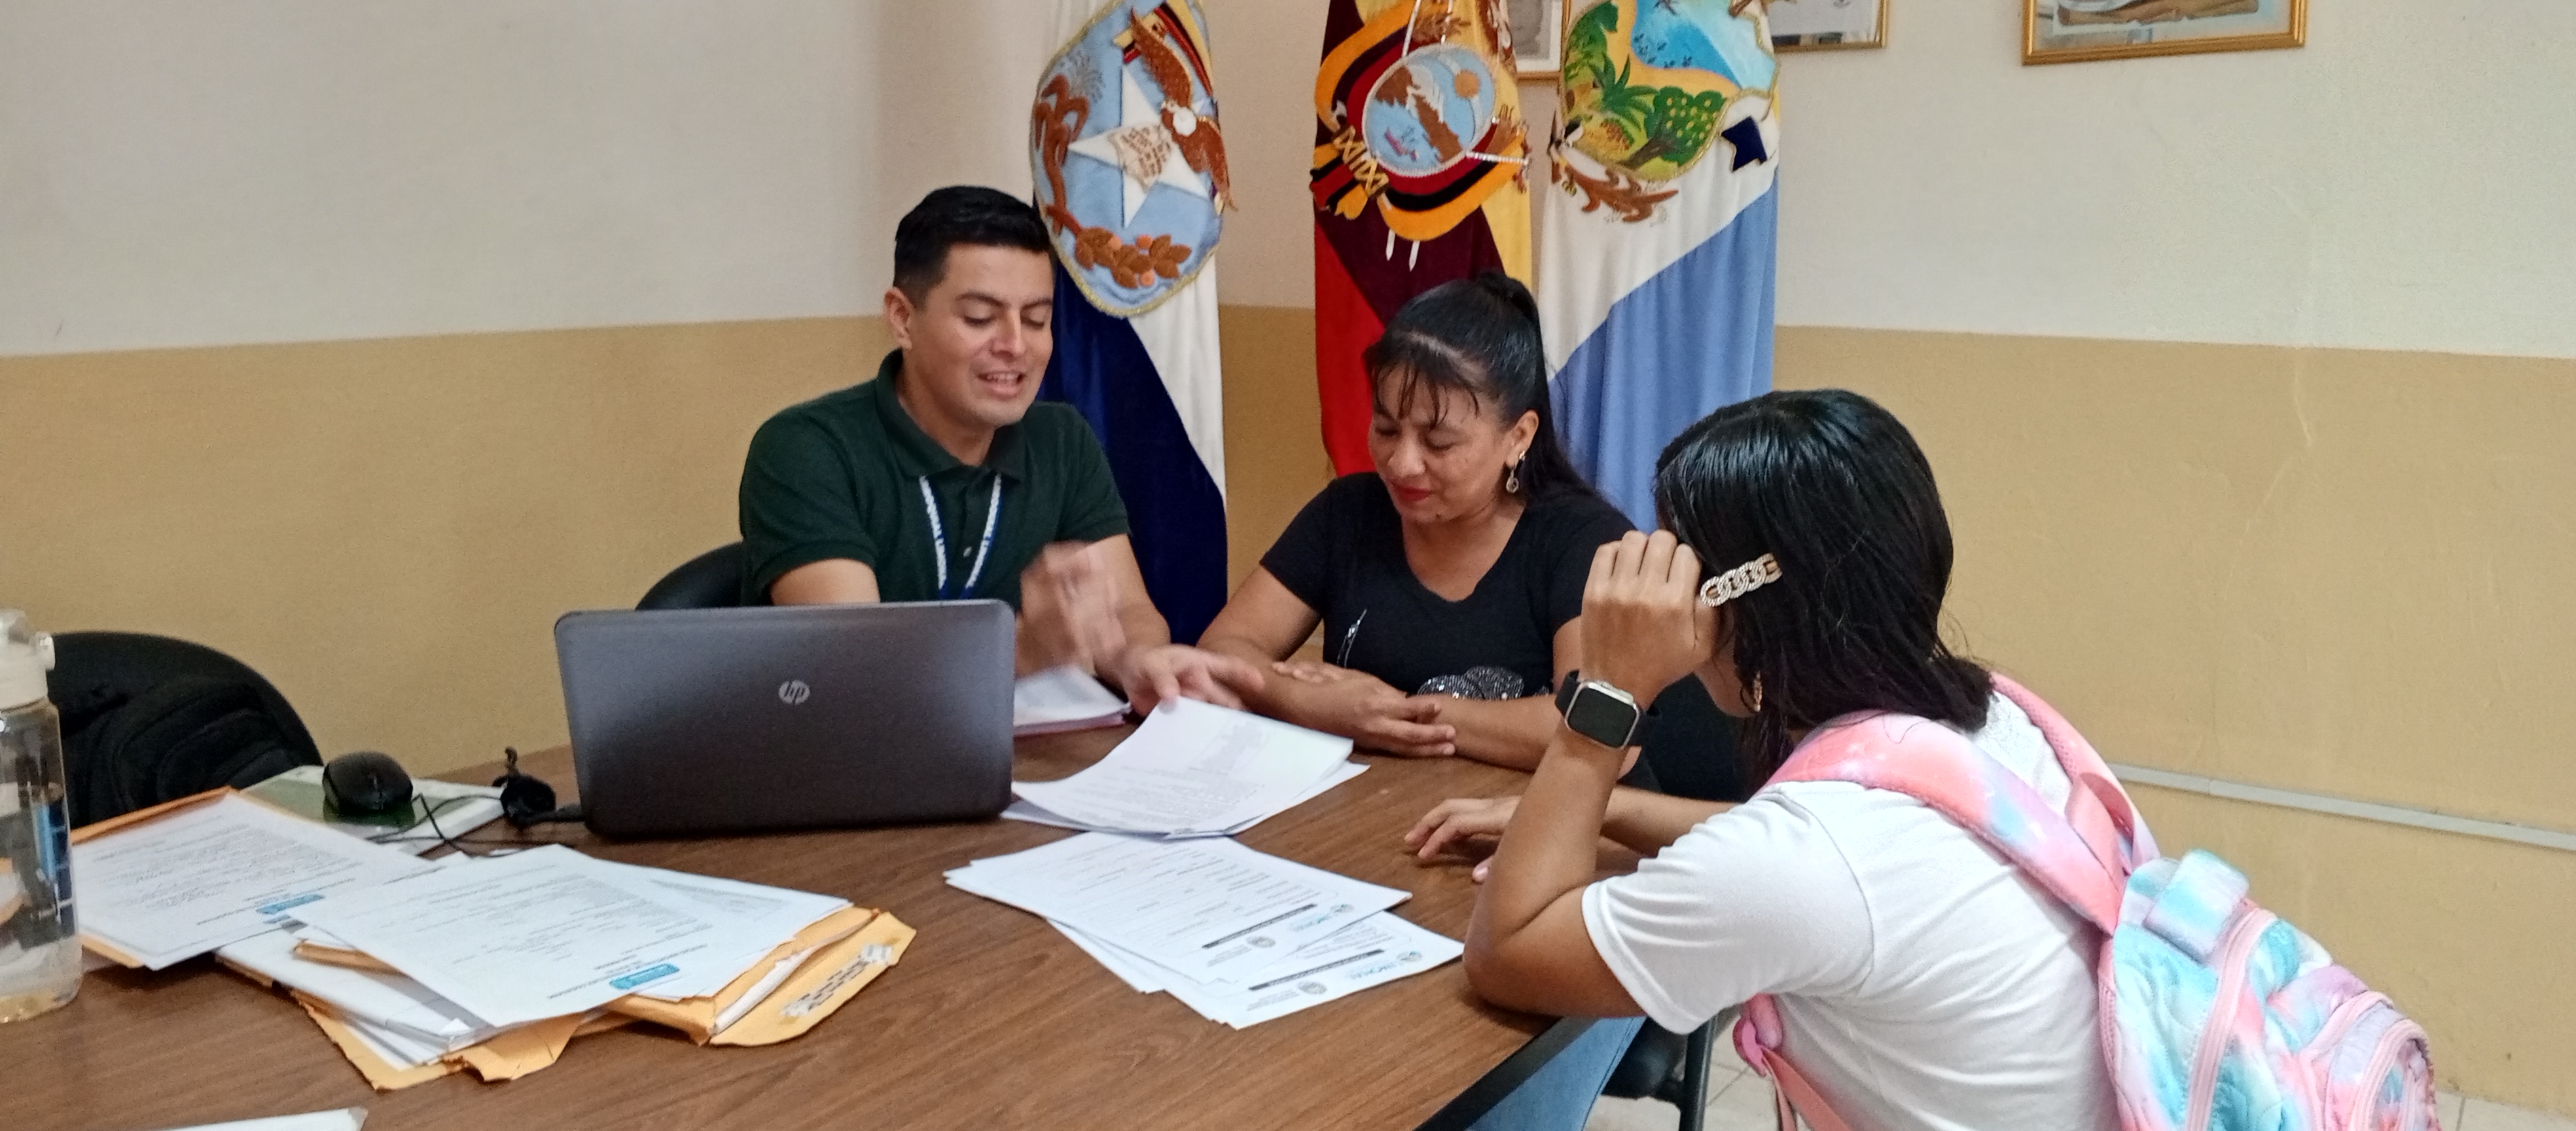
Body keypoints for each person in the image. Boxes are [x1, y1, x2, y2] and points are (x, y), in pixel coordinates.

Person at [1410, 389, 2122, 1130]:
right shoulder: (2000, 720)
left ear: (1735, 596)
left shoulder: (1809, 861)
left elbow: (1506, 953)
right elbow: (1806, 857)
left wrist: (1609, 690)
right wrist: (1606, 812)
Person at [738, 185, 1254, 711]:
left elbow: (1130, 611)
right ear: (902, 318)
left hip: (1019, 749)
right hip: (845, 753)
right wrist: (1026, 651)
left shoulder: (1062, 439)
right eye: (980, 318)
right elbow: (856, 676)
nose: (1015, 345)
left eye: (1036, 320)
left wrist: (1135, 660)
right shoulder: (806, 449)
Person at [1183, 274, 1632, 768]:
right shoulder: (1348, 513)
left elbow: (1600, 729)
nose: (1402, 464)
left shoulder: (1585, 541)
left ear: (1518, 437)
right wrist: (1311, 702)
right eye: (1386, 429)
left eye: (1439, 442)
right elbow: (1223, 650)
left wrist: (1388, 711)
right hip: (1378, 803)